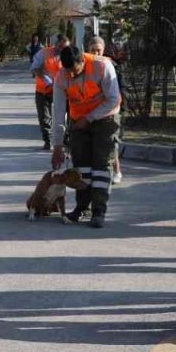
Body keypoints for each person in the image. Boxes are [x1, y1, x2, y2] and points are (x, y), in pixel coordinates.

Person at [51, 43, 121, 228]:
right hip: (78, 122)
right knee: (81, 168)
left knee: (101, 166)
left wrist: (89, 118)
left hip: (106, 118)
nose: (72, 76)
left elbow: (114, 98)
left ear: (82, 60)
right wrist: (57, 145)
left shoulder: (102, 66)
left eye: (75, 70)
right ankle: (82, 207)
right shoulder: (61, 77)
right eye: (68, 72)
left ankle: (99, 211)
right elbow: (58, 112)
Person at [87, 36, 125, 184]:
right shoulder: (86, 65)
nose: (96, 54)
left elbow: (121, 90)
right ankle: (97, 172)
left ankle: (116, 170)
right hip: (93, 110)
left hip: (111, 110)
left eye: (99, 50)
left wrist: (121, 108)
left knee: (111, 143)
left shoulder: (111, 66)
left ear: (104, 50)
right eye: (92, 50)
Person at [30, 34, 71, 150]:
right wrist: (47, 80)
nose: (62, 50)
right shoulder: (44, 53)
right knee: (44, 117)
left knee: (66, 116)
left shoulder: (70, 54)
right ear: (56, 45)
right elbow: (35, 68)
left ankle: (66, 139)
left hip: (64, 91)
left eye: (65, 48)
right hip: (43, 90)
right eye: (60, 47)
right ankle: (47, 141)